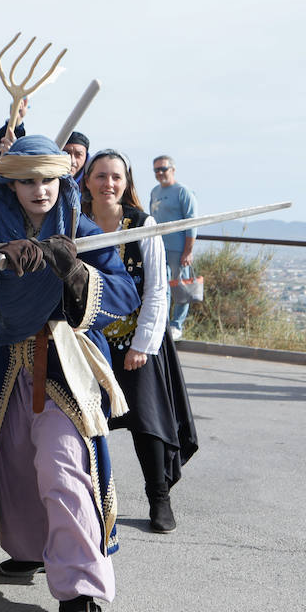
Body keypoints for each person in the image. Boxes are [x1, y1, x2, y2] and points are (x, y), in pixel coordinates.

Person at [0, 135, 139, 612]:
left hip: (66, 364)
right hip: (11, 366)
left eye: (47, 179)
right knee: (14, 460)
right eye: (27, 180)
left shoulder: (83, 230)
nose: (39, 190)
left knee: (62, 467)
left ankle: (81, 592)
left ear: (61, 181)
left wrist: (75, 269)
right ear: (11, 185)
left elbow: (125, 294)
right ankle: (32, 549)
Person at [82, 150, 198, 533]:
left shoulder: (142, 223)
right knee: (81, 423)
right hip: (88, 342)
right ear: (87, 180)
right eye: (100, 176)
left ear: (126, 181)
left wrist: (142, 345)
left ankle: (159, 498)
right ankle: (87, 502)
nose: (108, 184)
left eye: (116, 176)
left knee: (146, 423)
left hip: (136, 341)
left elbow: (156, 291)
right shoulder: (75, 222)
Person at [148, 156, 197, 341]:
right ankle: (164, 324)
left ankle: (177, 324)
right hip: (159, 247)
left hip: (178, 248)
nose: (160, 173)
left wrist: (188, 251)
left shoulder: (183, 192)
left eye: (163, 169)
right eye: (156, 170)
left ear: (172, 169)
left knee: (181, 288)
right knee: (162, 287)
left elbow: (192, 222)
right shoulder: (155, 191)